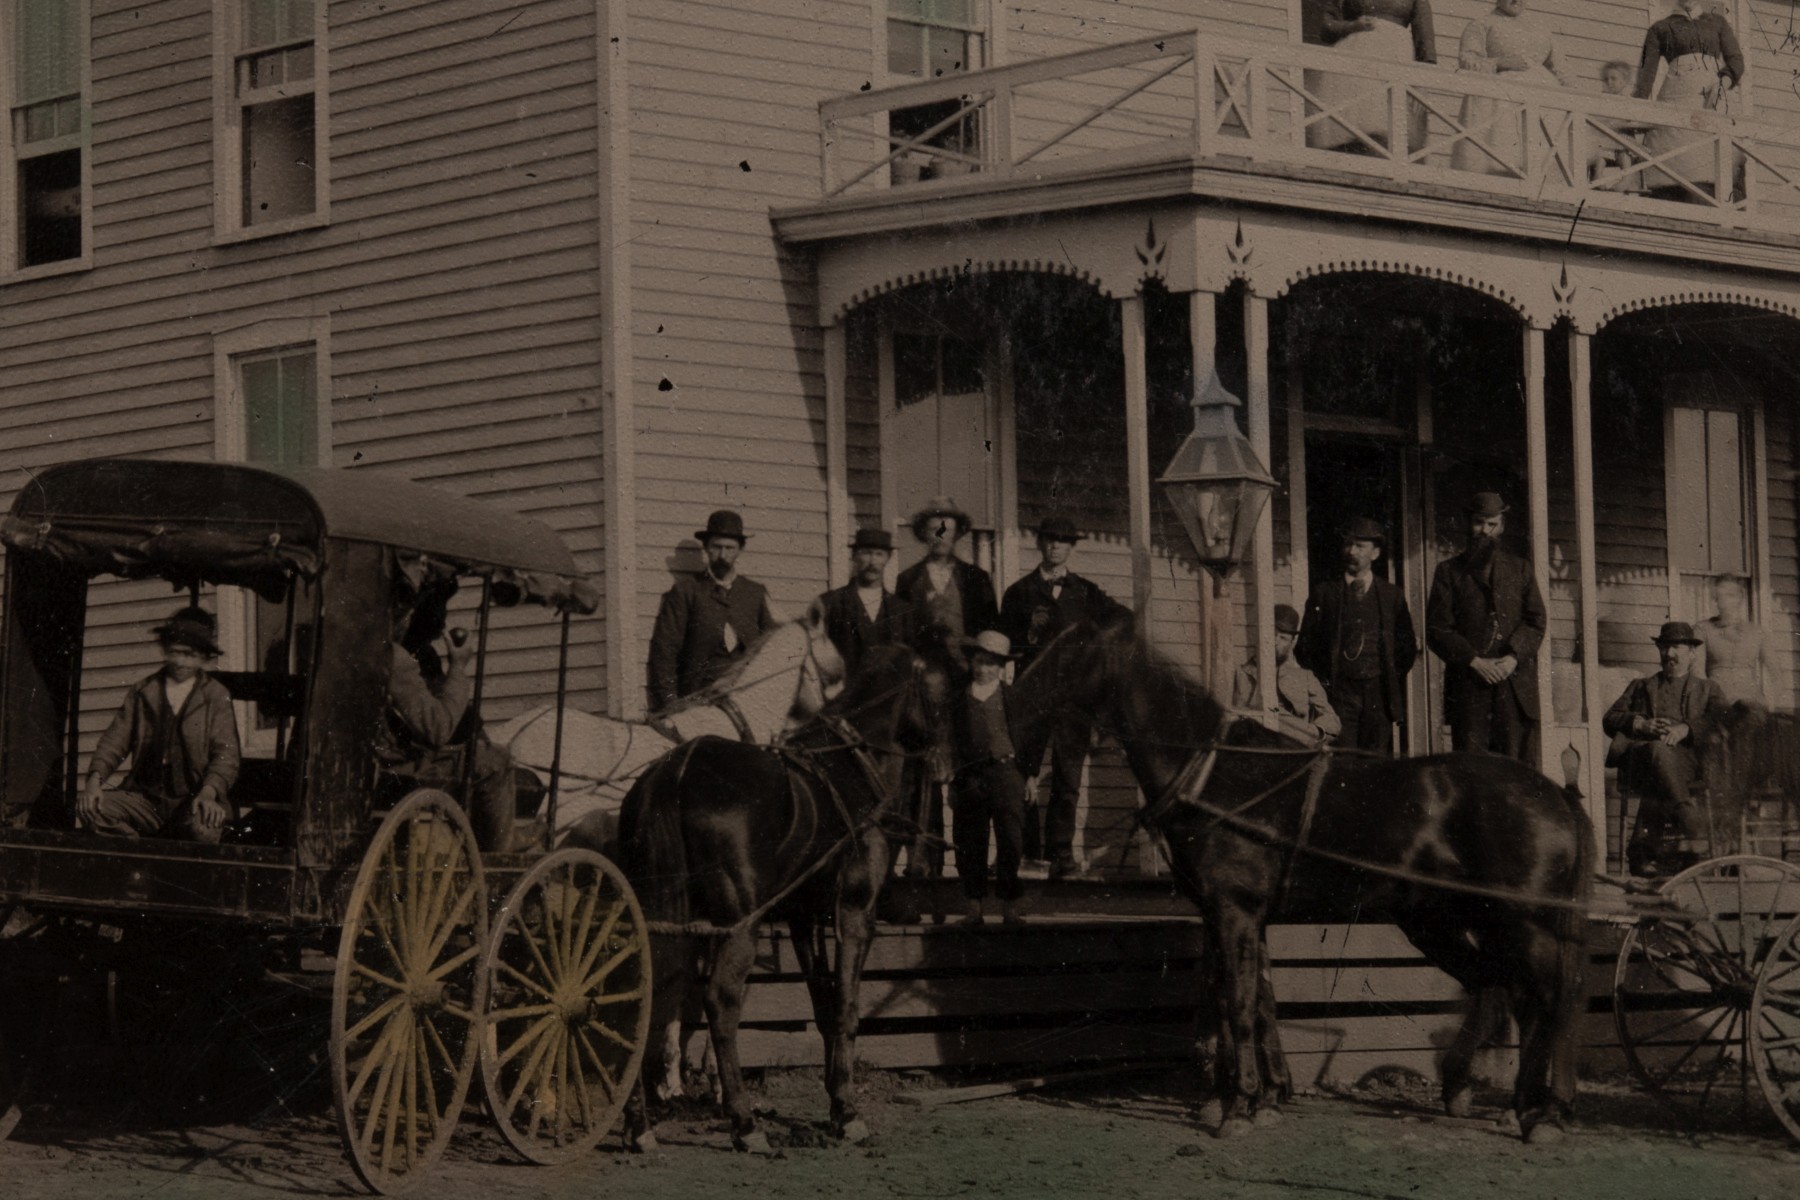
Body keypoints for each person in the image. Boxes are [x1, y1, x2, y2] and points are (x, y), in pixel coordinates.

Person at [1000, 513, 1127, 878]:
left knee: (1067, 780)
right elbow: (1005, 644)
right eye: (1049, 539)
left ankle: (1060, 854)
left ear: (1071, 548)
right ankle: (1027, 854)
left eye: (1063, 541)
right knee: (1024, 774)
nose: (1055, 546)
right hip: (1031, 698)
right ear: (1040, 544)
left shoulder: (1086, 592)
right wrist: (1031, 632)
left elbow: (1121, 619)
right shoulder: (1020, 592)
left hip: (1073, 702)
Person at [79, 606, 241, 843]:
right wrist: (93, 783)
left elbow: (226, 757)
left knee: (205, 828)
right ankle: (139, 861)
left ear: (203, 657)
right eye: (175, 652)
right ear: (165, 651)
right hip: (145, 799)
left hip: (194, 799)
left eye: (189, 654)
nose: (181, 661)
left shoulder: (215, 696)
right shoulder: (144, 692)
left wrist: (209, 793)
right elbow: (114, 741)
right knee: (92, 810)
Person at [382, 586, 517, 853]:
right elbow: (438, 727)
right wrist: (457, 668)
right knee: (495, 761)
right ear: (405, 614)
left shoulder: (351, 646)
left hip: (379, 761)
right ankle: (497, 859)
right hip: (396, 770)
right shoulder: (393, 657)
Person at [1425, 492, 1547, 762]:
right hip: (1470, 689)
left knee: (1518, 772)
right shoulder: (1448, 572)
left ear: (1501, 526)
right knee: (1472, 772)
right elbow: (1437, 629)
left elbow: (1536, 620)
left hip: (1514, 689)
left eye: (1492, 524)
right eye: (1479, 523)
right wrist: (1474, 661)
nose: (1485, 531)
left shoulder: (1521, 569)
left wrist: (1513, 658)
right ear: (1468, 523)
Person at [1603, 621, 1728, 876]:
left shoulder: (1708, 689)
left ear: (1691, 652)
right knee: (1657, 751)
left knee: (1660, 773)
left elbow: (1723, 720)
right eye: (1664, 647)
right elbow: (1610, 718)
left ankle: (1642, 852)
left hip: (1690, 764)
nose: (1669, 654)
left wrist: (1687, 729)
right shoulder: (1640, 686)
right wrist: (1641, 724)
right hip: (1644, 757)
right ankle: (1694, 831)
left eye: (1676, 647)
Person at [1295, 517, 1419, 755]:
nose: (1352, 551)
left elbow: (1407, 648)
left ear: (1375, 553)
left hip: (1378, 693)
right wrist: (1328, 681)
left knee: (1376, 760)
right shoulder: (1325, 594)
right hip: (1339, 693)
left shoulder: (1392, 595)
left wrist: (1388, 676)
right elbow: (1305, 648)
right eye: (1348, 545)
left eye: (1360, 546)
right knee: (1343, 757)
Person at [647, 509, 777, 711]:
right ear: (706, 548)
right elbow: (664, 653)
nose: (723, 555)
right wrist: (670, 703)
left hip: (747, 704)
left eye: (729, 548)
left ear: (740, 550)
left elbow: (772, 650)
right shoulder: (685, 592)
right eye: (716, 547)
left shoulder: (755, 594)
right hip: (697, 702)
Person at [950, 631, 1030, 927]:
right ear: (972, 663)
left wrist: (1029, 775)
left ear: (1001, 668)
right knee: (971, 842)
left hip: (1007, 773)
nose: (983, 669)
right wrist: (954, 782)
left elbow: (1026, 738)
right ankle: (974, 909)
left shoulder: (1012, 696)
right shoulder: (960, 699)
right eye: (979, 662)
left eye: (990, 664)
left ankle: (1010, 906)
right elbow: (953, 742)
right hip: (970, 777)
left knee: (1011, 840)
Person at [1633, 0, 1745, 201]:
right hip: (1676, 95)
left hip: (1712, 96)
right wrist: (1634, 114)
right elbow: (1645, 76)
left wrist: (1723, 83)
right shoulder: (1660, 28)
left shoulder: (1717, 22)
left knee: (1714, 163)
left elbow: (1736, 60)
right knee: (1672, 164)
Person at [1450, 0, 1569, 177]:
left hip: (1540, 104)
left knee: (1541, 163)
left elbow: (1560, 70)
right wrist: (1499, 63)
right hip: (1497, 102)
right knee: (1498, 162)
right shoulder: (1482, 24)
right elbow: (1467, 61)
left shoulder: (1541, 29)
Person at [1306, 0, 1436, 154]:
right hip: (1355, 61)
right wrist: (1352, 26)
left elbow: (1424, 38)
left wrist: (1423, 81)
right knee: (1353, 130)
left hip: (1396, 57)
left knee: (1393, 132)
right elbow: (1326, 27)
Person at [895, 495, 999, 647]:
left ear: (956, 534)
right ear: (924, 533)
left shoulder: (976, 577)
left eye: (946, 530)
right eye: (934, 530)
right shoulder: (908, 579)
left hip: (967, 666)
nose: (940, 537)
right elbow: (901, 633)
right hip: (924, 667)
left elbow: (991, 628)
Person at [1232, 603, 1342, 744]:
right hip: (1256, 744)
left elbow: (1332, 720)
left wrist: (1314, 732)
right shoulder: (1241, 674)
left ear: (1292, 643)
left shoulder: (1305, 677)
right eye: (1272, 635)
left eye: (1283, 638)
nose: (1275, 642)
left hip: (1294, 747)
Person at [817, 528, 913, 681]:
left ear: (888, 558)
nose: (872, 562)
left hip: (886, 697)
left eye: (879, 554)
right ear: (854, 556)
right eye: (867, 553)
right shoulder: (831, 603)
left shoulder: (901, 609)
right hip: (844, 696)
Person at [1697, 574, 1776, 705]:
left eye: (1731, 595)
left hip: (1751, 702)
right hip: (1716, 701)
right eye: (1721, 596)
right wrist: (1709, 701)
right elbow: (1697, 672)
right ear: (1715, 599)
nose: (1727, 602)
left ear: (1741, 598)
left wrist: (1769, 701)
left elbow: (1775, 673)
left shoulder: (1757, 632)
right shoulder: (1702, 629)